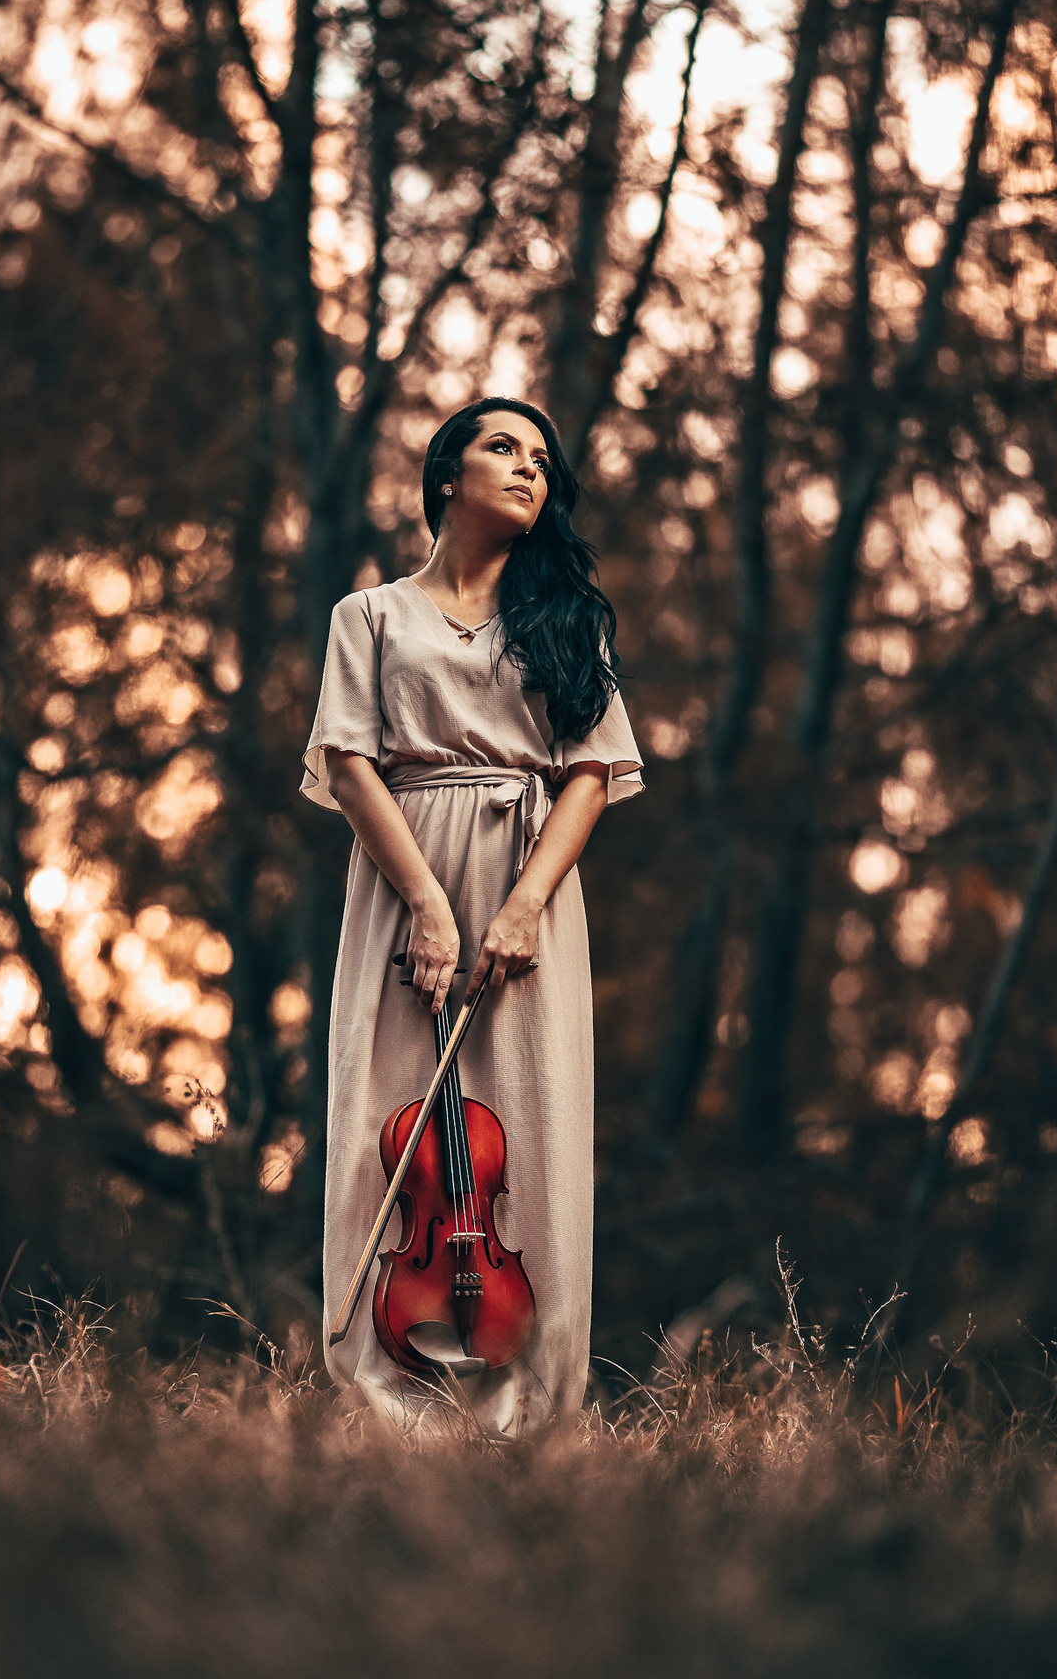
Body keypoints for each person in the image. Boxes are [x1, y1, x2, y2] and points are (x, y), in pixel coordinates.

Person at [301, 397, 643, 1436]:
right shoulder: (369, 616)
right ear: (447, 473)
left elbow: (592, 773)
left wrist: (525, 906)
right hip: (403, 873)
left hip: (527, 879)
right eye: (503, 447)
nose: (529, 469)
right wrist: (428, 907)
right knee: (382, 1119)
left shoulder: (566, 623)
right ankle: (380, 1403)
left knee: (531, 1131)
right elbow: (351, 764)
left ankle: (531, 1410)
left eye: (544, 457)